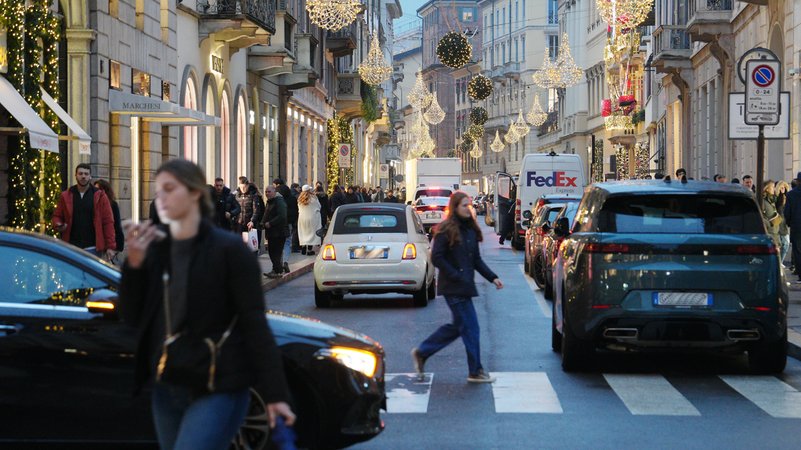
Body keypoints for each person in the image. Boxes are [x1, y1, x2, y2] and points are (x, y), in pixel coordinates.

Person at [118, 159, 295, 450]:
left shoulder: (229, 251)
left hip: (219, 384)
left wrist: (276, 395)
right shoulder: (158, 250)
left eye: (169, 189)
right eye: (158, 191)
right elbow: (134, 317)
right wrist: (134, 266)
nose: (161, 198)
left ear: (195, 194)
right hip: (168, 384)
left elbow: (254, 324)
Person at [411, 192, 504, 383]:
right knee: (471, 328)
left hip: (464, 286)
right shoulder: (446, 229)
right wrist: (455, 274)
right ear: (455, 208)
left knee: (458, 327)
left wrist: (492, 277)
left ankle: (423, 352)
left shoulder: (470, 229)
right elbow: (437, 257)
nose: (468, 209)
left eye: (469, 205)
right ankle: (475, 371)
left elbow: (476, 260)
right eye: (464, 205)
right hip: (453, 287)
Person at [52, 163, 117, 261]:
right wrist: (58, 224)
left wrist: (110, 246)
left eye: (86, 174)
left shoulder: (100, 196)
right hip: (71, 247)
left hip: (93, 248)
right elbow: (57, 215)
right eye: (80, 173)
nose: (83, 176)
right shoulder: (66, 195)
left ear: (90, 176)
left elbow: (108, 222)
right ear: (76, 175)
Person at [263, 185, 290, 277]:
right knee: (272, 252)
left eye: (269, 192)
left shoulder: (279, 201)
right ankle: (276, 270)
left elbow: (282, 216)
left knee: (275, 252)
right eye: (266, 192)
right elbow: (266, 214)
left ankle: (278, 271)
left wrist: (270, 223)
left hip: (279, 232)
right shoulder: (270, 201)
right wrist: (262, 223)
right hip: (272, 232)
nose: (267, 193)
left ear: (274, 192)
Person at [93, 179, 125, 254]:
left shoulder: (113, 205)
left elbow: (116, 225)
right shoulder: (93, 204)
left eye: (98, 189)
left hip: (108, 244)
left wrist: (116, 246)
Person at [235, 177, 265, 252]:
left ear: (247, 185)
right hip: (239, 224)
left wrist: (252, 221)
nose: (243, 189)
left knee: (252, 247)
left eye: (244, 187)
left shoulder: (254, 195)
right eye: (241, 187)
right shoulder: (236, 195)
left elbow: (256, 210)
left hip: (251, 225)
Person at [273, 178, 299, 258]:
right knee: (287, 241)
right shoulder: (292, 198)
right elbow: (295, 211)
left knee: (278, 241)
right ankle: (285, 260)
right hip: (289, 222)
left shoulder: (277, 198)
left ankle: (279, 259)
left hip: (278, 222)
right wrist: (293, 220)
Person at [784, 172, 801, 280]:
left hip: (796, 226)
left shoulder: (791, 194)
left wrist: (789, 223)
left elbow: (787, 212)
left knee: (797, 251)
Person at [297, 185, 322, 255]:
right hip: (313, 218)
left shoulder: (299, 199)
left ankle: (303, 247)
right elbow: (319, 206)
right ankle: (309, 249)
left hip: (302, 218)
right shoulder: (314, 198)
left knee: (304, 232)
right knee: (312, 233)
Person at [776, 180, 792, 266]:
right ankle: (779, 262)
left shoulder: (787, 197)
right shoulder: (776, 198)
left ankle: (780, 261)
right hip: (777, 223)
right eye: (781, 187)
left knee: (786, 243)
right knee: (779, 244)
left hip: (784, 224)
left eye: (784, 187)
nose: (783, 189)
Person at [761, 180, 781, 246]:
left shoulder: (771, 199)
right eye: (772, 187)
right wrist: (769, 223)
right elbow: (759, 216)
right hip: (769, 234)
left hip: (775, 232)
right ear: (767, 189)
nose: (774, 189)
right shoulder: (763, 201)